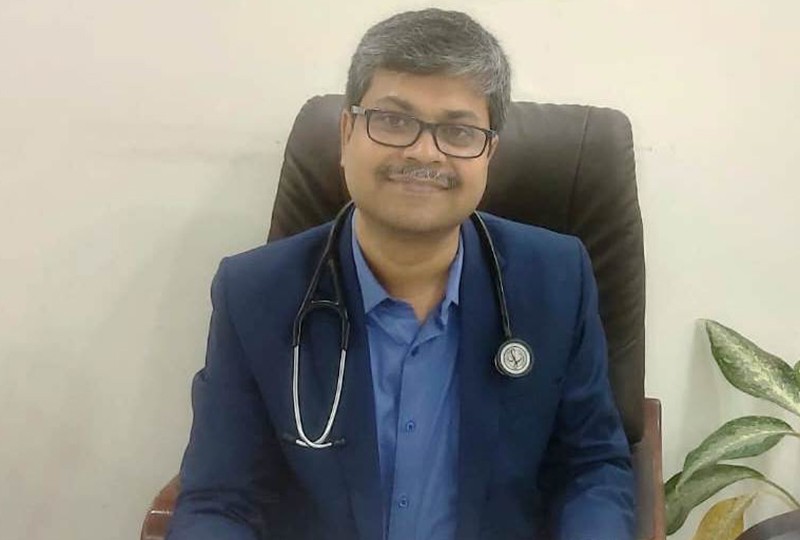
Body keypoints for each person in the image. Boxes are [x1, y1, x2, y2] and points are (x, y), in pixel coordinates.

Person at [167, 8, 635, 540]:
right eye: (393, 121)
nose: (423, 152)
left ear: (489, 153)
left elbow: (590, 468)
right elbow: (221, 500)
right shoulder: (254, 293)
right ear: (347, 133)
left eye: (458, 131)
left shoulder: (555, 281)